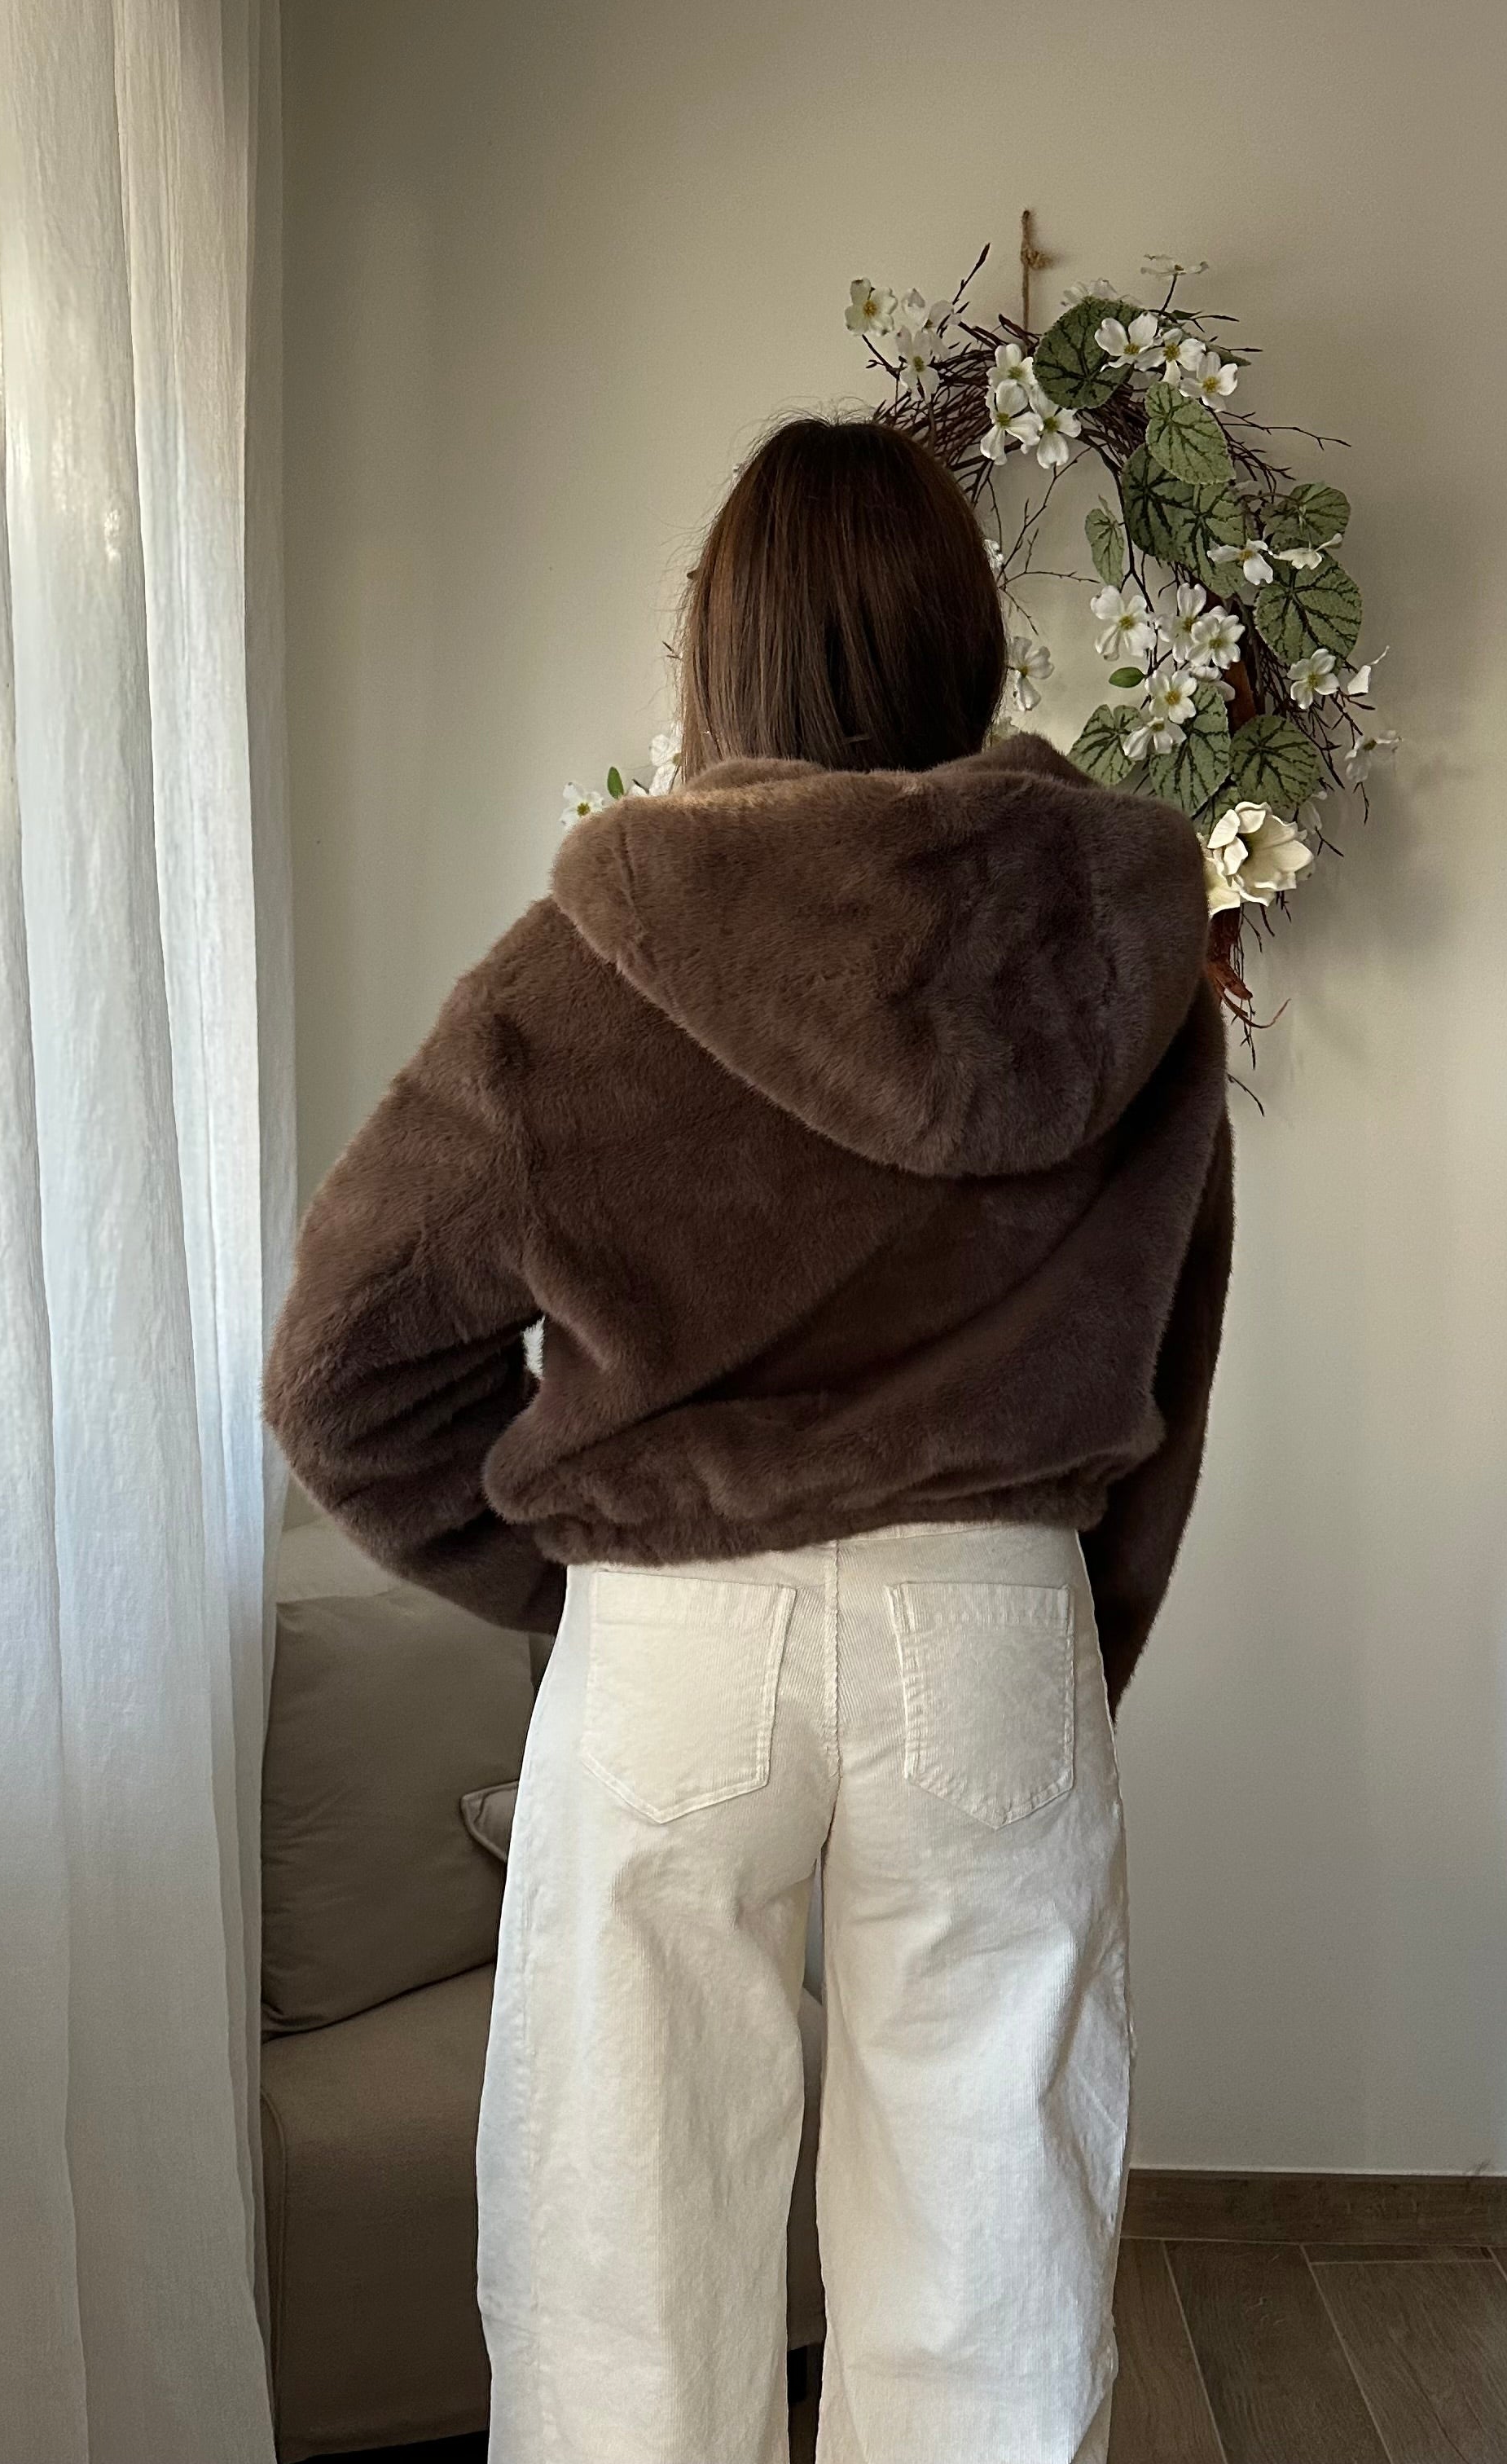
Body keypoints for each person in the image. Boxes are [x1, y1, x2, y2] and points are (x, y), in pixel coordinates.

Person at [262, 414, 1236, 2464]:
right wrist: (1069, 1643)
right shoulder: (1121, 953)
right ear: (967, 641)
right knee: (992, 2268)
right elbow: (1169, 1363)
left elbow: (343, 1369)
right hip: (994, 1627)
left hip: (675, 1651)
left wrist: (568, 1582)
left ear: (718, 654)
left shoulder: (594, 955)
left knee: (624, 2262)